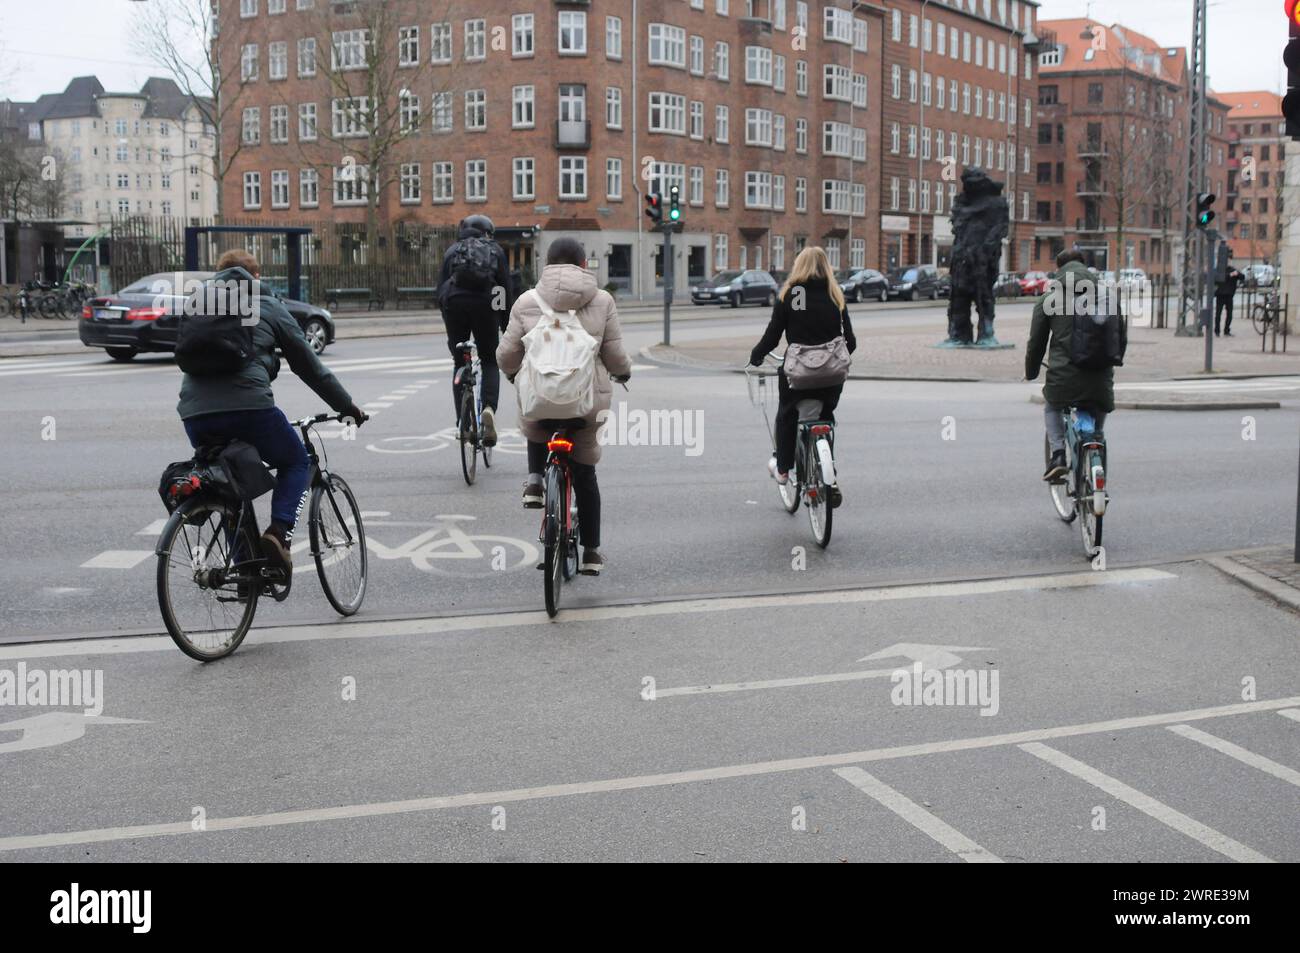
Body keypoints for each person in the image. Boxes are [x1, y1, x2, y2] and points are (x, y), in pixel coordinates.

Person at [176, 249, 365, 576]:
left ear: (218, 274)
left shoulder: (200, 304)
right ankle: (278, 535)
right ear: (256, 277)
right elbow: (310, 368)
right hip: (250, 408)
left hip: (195, 414)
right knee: (296, 462)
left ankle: (247, 572)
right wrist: (346, 407)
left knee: (228, 483)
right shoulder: (268, 305)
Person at [497, 237, 631, 576]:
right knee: (584, 472)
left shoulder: (528, 300)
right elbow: (613, 354)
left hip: (540, 405)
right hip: (586, 404)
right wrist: (622, 372)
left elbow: (506, 354)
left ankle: (534, 481)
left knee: (535, 409)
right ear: (584, 265)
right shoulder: (602, 301)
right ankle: (591, 553)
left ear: (547, 265)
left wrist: (515, 374)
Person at [747, 246, 856, 498]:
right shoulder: (834, 293)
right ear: (826, 266)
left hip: (799, 376)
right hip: (831, 377)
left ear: (799, 266)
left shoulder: (795, 293)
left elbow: (773, 336)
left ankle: (783, 469)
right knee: (825, 418)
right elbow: (850, 341)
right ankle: (830, 476)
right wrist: (835, 358)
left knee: (786, 415)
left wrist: (756, 355)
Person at [1027, 249, 1116, 481]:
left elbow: (1036, 342)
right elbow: (1118, 336)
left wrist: (1031, 371)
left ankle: (1058, 455)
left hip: (1063, 378)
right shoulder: (1106, 295)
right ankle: (1096, 447)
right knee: (1097, 419)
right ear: (1084, 266)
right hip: (1100, 378)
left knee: (1052, 405)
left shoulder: (1049, 298)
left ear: (1059, 269)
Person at [438, 214, 512, 446]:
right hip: (486, 305)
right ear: (488, 231)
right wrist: (504, 324)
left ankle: (463, 422)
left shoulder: (452, 251)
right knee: (490, 359)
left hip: (455, 305)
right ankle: (488, 408)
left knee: (459, 361)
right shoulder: (495, 250)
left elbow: (440, 290)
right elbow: (503, 290)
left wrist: (449, 323)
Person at [1214, 262, 1244, 337]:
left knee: (1229, 314)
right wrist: (1230, 275)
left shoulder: (1232, 270)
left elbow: (1242, 277)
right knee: (1218, 314)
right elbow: (1216, 280)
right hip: (1220, 295)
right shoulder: (1219, 271)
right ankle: (1217, 330)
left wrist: (1237, 274)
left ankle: (1226, 330)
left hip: (1228, 295)